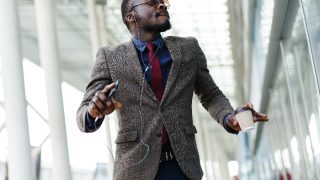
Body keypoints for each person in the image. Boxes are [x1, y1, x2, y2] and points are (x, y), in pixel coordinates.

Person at [76, 0, 269, 179]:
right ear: (131, 16)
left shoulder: (188, 48)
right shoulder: (109, 57)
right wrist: (93, 112)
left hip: (183, 167)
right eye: (152, 2)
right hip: (134, 170)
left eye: (163, 1)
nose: (162, 5)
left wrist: (229, 118)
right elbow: (83, 113)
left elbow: (210, 95)